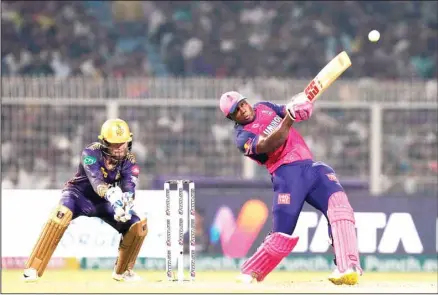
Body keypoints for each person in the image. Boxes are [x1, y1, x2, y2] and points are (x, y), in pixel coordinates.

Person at [219, 91, 362, 285]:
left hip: (311, 168)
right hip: (286, 175)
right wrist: (290, 118)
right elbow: (272, 142)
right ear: (231, 118)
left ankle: (347, 266)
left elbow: (290, 109)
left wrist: (301, 106)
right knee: (281, 235)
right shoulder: (243, 137)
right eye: (237, 111)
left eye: (243, 104)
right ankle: (250, 271)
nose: (243, 110)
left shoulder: (264, 107)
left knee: (340, 209)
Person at [23, 119, 147, 282]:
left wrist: (125, 205)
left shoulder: (130, 162)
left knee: (138, 226)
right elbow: (96, 182)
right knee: (60, 215)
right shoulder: (90, 153)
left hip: (104, 204)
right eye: (115, 144)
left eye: (123, 144)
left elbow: (129, 186)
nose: (119, 149)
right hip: (78, 196)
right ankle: (33, 268)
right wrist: (112, 196)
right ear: (104, 142)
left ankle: (122, 271)